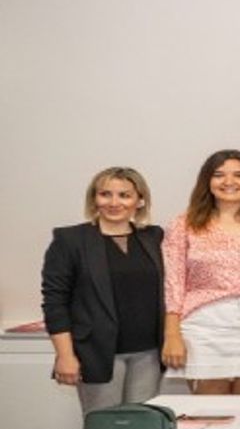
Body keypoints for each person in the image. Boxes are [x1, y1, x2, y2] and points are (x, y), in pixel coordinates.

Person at [41, 167, 166, 414]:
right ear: (94, 198)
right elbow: (55, 302)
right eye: (105, 194)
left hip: (149, 354)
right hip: (96, 353)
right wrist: (65, 355)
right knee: (105, 428)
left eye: (124, 195)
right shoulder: (71, 240)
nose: (114, 202)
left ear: (140, 200)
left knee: (142, 427)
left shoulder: (154, 237)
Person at [161, 150, 240, 395]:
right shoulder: (183, 224)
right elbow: (173, 282)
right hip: (203, 325)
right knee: (209, 410)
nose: (229, 182)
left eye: (239, 175)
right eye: (219, 175)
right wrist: (172, 333)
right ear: (207, 181)